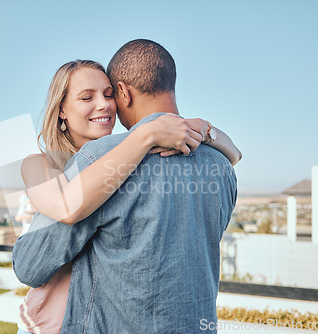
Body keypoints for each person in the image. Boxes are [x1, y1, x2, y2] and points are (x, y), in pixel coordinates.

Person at [14, 42, 239, 333]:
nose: (104, 104)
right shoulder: (43, 164)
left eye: (109, 94)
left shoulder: (117, 156)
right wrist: (148, 133)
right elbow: (63, 212)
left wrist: (203, 130)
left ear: (122, 94)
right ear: (61, 111)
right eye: (86, 97)